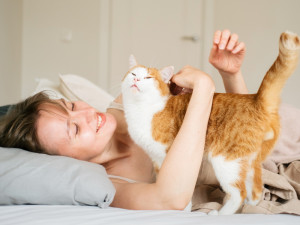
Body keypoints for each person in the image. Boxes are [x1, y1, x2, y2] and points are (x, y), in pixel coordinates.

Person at [0, 30, 248, 210]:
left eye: (72, 106)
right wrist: (204, 87)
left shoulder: (129, 100)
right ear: (65, 162)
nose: (86, 114)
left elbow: (242, 130)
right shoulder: (111, 186)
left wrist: (231, 74)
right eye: (74, 129)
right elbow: (170, 199)